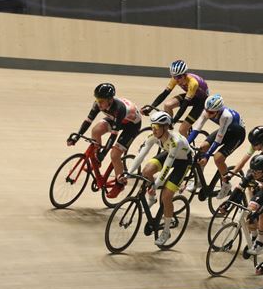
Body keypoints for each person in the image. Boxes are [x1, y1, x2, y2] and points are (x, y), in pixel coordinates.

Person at [125, 111, 193, 246]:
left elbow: (167, 166)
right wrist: (127, 173)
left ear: (166, 127)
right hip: (169, 154)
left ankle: (166, 232)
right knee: (146, 170)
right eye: (152, 126)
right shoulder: (153, 136)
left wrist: (155, 185)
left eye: (157, 127)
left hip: (183, 162)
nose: (154, 130)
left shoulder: (175, 142)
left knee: (166, 196)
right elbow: (141, 155)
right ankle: (152, 198)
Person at [69, 83, 143, 199]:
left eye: (101, 101)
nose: (98, 103)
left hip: (131, 125)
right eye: (97, 100)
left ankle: (120, 184)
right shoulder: (99, 104)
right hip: (115, 119)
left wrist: (103, 153)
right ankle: (96, 162)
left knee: (114, 155)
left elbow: (113, 136)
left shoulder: (120, 109)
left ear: (110, 100)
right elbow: (88, 120)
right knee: (96, 131)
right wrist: (77, 136)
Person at [189, 93, 246, 198]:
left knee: (218, 158)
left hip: (237, 136)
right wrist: (187, 143)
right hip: (225, 130)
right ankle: (199, 181)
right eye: (206, 110)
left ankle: (226, 185)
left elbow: (218, 140)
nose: (207, 114)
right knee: (203, 146)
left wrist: (206, 156)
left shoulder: (226, 116)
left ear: (219, 111)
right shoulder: (208, 110)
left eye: (211, 112)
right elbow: (197, 128)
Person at [141, 60, 210, 137]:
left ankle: (187, 148)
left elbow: (184, 105)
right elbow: (164, 94)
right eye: (174, 77)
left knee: (182, 130)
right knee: (167, 105)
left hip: (201, 101)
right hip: (191, 95)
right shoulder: (175, 79)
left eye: (179, 77)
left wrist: (174, 121)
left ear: (184, 75)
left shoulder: (193, 83)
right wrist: (150, 109)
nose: (176, 80)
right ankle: (168, 130)